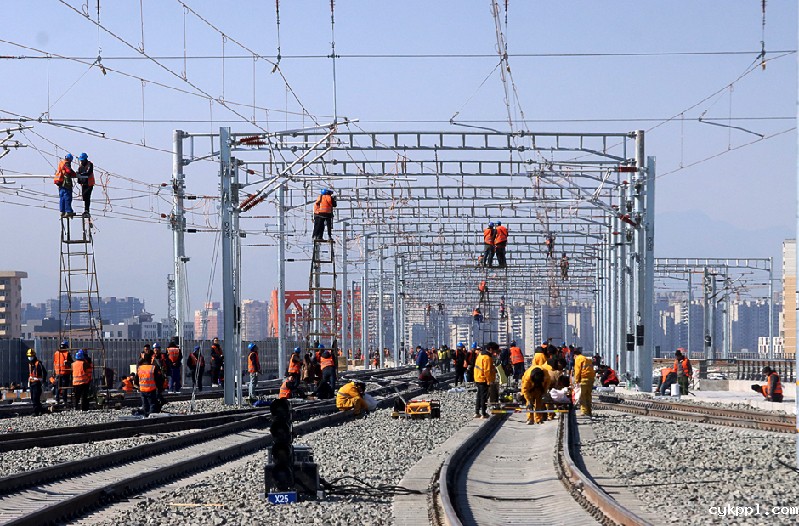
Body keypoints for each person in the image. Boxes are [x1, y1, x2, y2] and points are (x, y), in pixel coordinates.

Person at [135, 349, 162, 416]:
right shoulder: (152, 368)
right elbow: (157, 379)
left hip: (142, 389)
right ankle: (151, 416)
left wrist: (138, 387)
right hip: (151, 389)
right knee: (152, 404)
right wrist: (159, 388)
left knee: (145, 404)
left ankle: (145, 416)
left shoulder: (140, 368)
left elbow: (136, 379)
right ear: (150, 359)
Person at [473, 343, 496, 418]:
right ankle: (483, 413)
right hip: (484, 379)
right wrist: (489, 381)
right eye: (494, 350)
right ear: (491, 349)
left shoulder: (480, 355)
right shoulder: (487, 358)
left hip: (478, 378)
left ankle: (477, 412)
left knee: (479, 395)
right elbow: (487, 371)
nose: (494, 353)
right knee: (484, 397)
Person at [573, 347, 595, 416]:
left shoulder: (578, 359)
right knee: (588, 395)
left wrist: (576, 381)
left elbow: (577, 371)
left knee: (582, 396)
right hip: (591, 379)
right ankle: (589, 411)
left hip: (583, 379)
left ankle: (584, 412)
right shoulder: (586, 359)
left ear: (575, 355)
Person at [54, 153, 76, 218]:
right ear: (70, 159)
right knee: (67, 197)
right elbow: (68, 171)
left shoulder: (61, 162)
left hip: (60, 183)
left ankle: (62, 211)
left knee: (62, 198)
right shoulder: (66, 163)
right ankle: (68, 211)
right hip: (66, 183)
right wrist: (74, 174)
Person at [27, 349, 46, 416]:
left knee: (36, 398)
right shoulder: (30, 364)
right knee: (33, 398)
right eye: (29, 356)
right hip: (32, 383)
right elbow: (29, 374)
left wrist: (43, 381)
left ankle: (36, 411)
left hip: (37, 383)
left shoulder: (38, 363)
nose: (30, 357)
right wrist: (29, 381)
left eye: (31, 356)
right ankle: (39, 410)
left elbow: (44, 372)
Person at [53, 340, 73, 405]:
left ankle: (57, 400)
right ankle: (64, 400)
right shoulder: (67, 354)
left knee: (58, 387)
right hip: (65, 373)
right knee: (64, 388)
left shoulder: (56, 353)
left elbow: (54, 363)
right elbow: (72, 363)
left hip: (58, 373)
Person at [76, 152, 94, 217]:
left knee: (87, 196)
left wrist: (82, 174)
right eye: (81, 160)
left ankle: (87, 210)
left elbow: (89, 172)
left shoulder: (90, 164)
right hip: (84, 184)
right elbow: (78, 173)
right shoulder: (80, 167)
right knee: (84, 197)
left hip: (89, 183)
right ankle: (86, 209)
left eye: (82, 160)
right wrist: (78, 178)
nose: (82, 161)